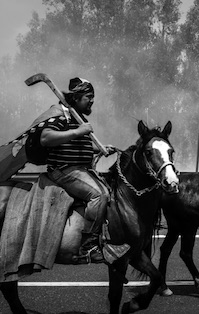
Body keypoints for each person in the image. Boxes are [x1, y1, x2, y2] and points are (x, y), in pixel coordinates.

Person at [40, 77, 129, 264]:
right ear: (77, 97)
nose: (92, 100)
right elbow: (46, 138)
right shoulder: (59, 113)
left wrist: (101, 148)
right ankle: (89, 247)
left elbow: (79, 145)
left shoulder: (78, 117)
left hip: (79, 169)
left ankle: (106, 239)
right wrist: (78, 131)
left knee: (112, 191)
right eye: (89, 96)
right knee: (100, 195)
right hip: (64, 170)